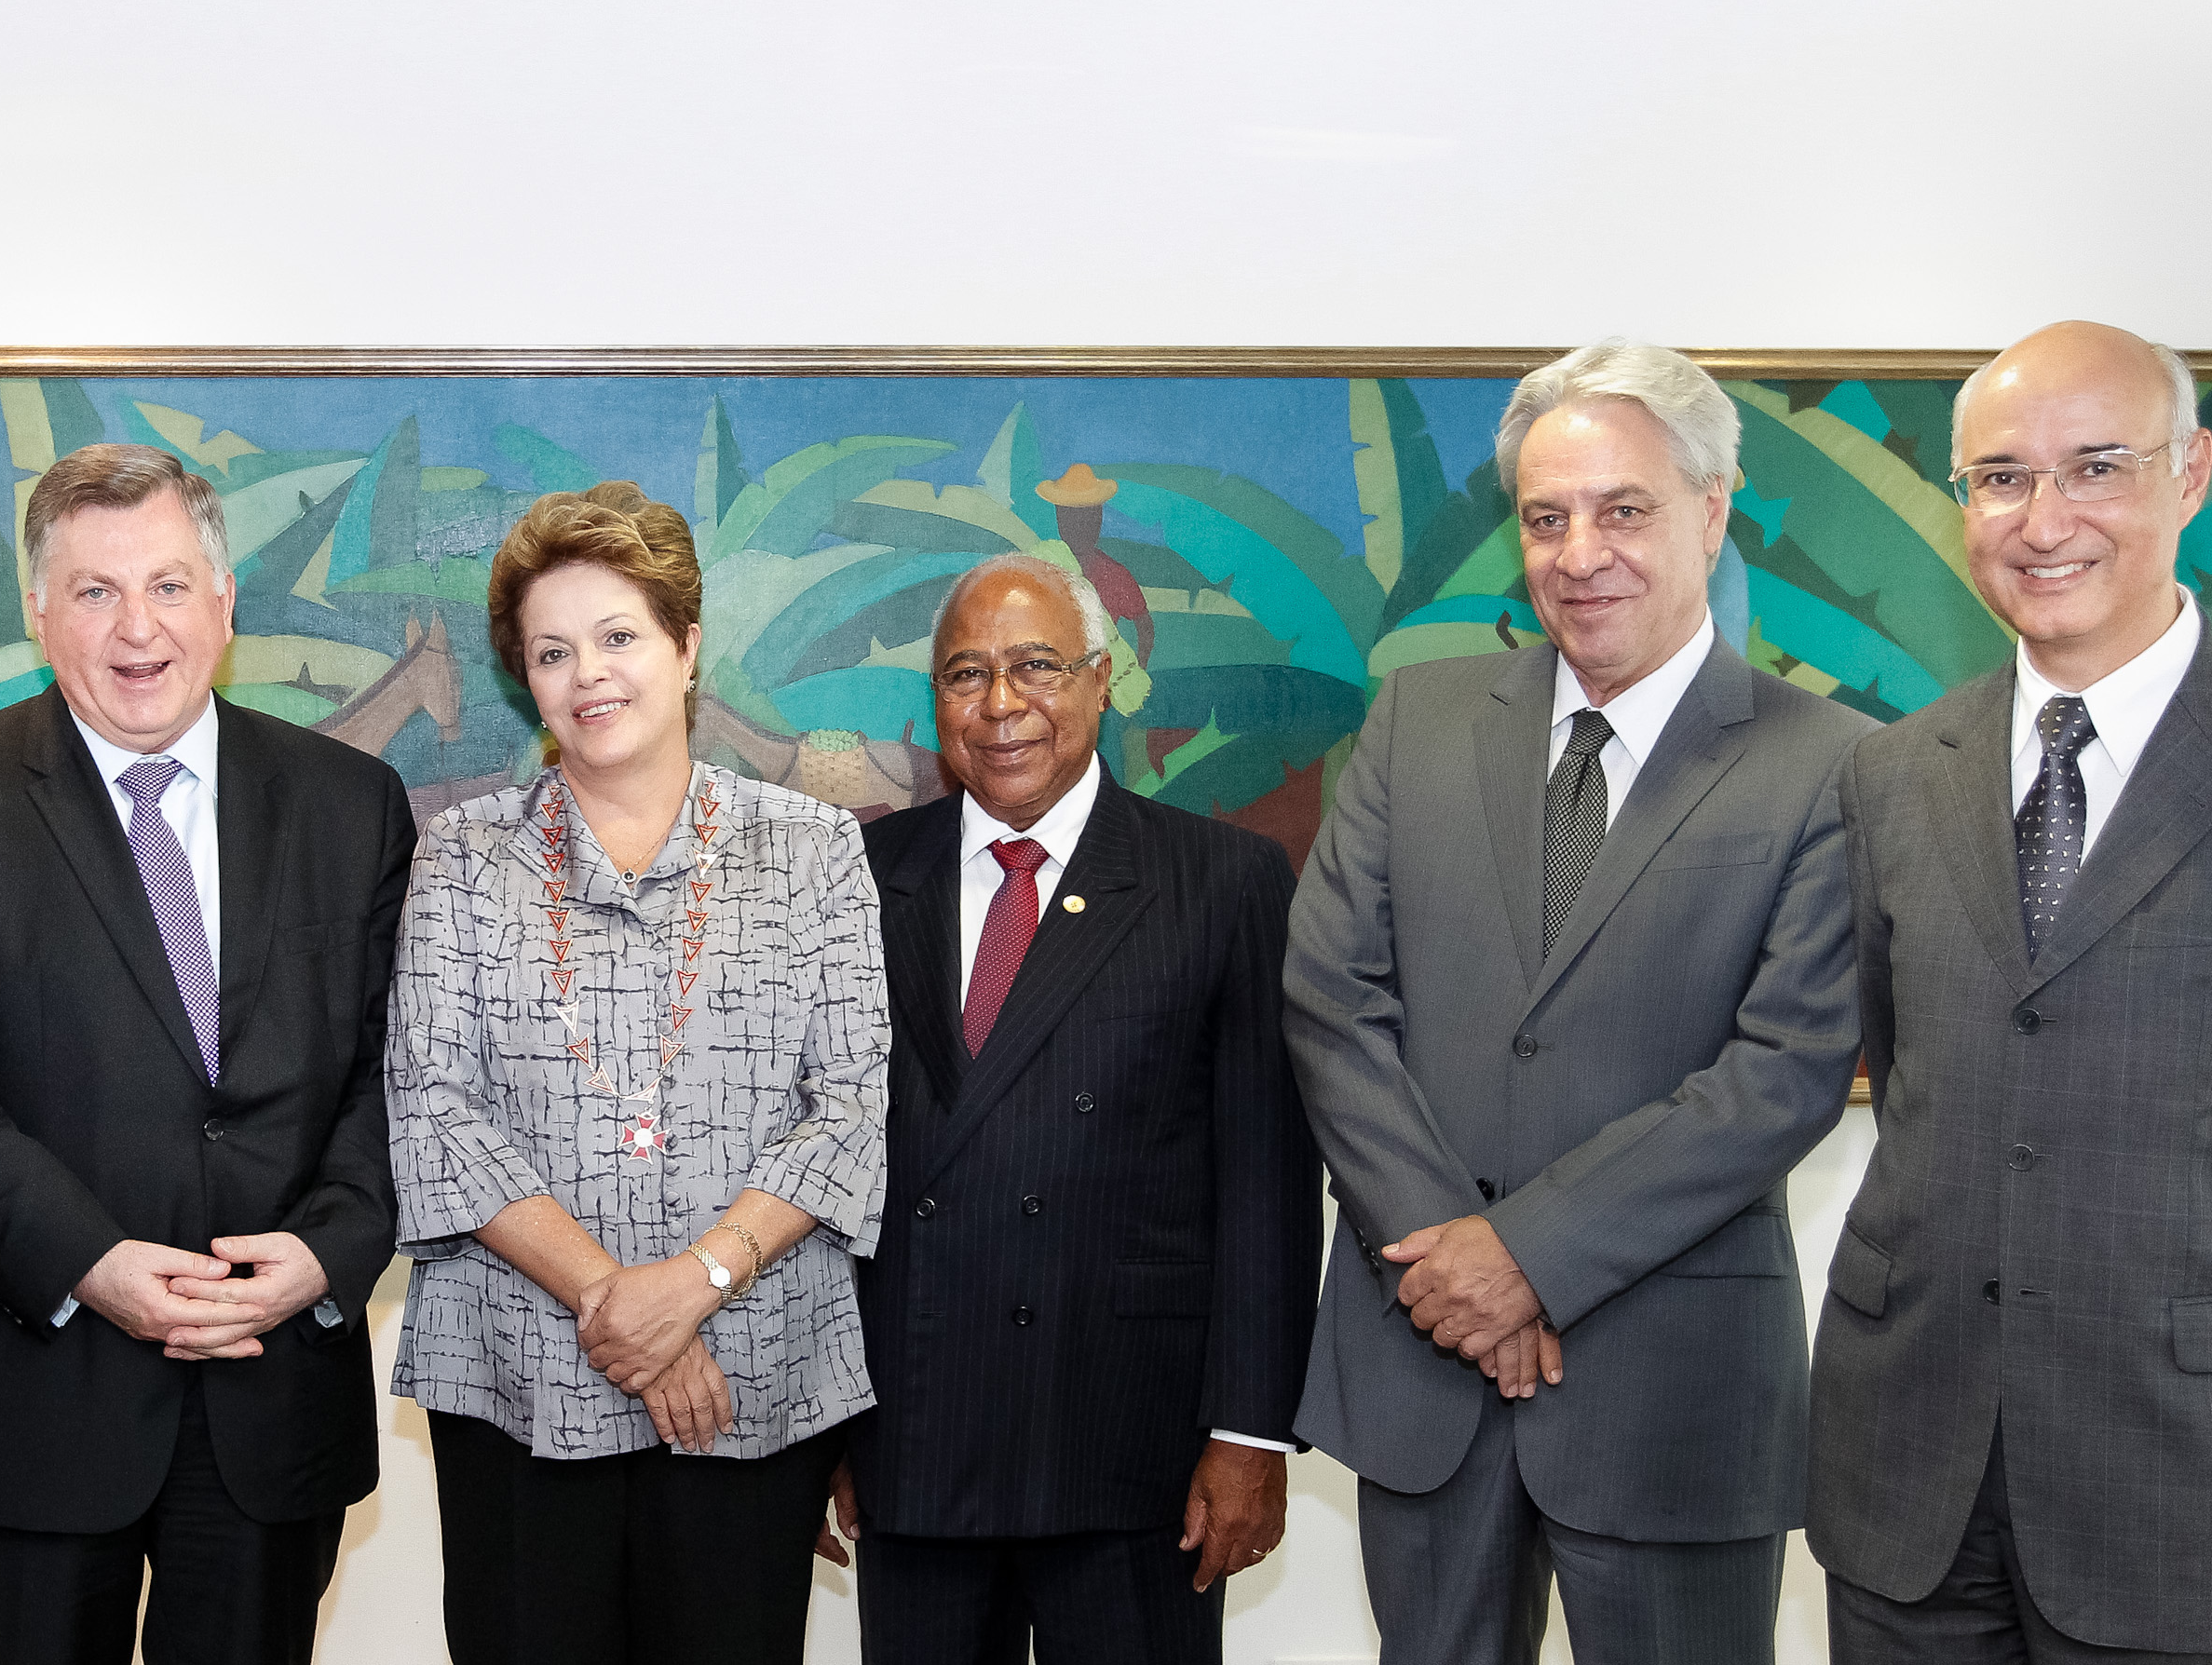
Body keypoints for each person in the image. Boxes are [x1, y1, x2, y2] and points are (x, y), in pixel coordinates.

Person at [1283, 340, 1874, 1663]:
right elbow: (1330, 1000)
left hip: (1673, 1391)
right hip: (1424, 1362)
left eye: (1622, 510)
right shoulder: (1414, 720)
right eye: (1545, 518)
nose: (1578, 553)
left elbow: (1778, 1071)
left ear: (1709, 510)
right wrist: (1453, 1263)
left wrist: (1526, 1258)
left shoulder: (1832, 763)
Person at [0, 442, 414, 1665]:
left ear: (223, 601)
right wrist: (88, 1260)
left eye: (166, 584)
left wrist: (327, 1250)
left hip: (268, 1391)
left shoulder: (349, 801)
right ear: (39, 611)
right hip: (25, 1393)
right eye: (93, 591)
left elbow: (394, 1066)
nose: (135, 627)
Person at [1812, 320, 2212, 1661]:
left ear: (2188, 473)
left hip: (2196, 1481)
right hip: (1906, 1469)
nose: (2043, 518)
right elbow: (1909, 1064)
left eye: (2095, 466)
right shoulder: (1892, 771)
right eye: (2001, 477)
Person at [387, 482, 888, 1665]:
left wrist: (699, 1282)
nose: (588, 675)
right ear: (524, 676)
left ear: (685, 645)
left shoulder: (812, 848)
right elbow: (435, 1111)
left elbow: (849, 1107)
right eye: (552, 651)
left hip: (747, 1376)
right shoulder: (462, 855)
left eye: (618, 635)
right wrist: (625, 1302)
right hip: (517, 1370)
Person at [821, 553, 1318, 1663]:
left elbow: (1267, 1182)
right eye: (965, 674)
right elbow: (812, 1162)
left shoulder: (1221, 879)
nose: (1001, 704)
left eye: (1036, 666)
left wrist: (1249, 1431)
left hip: (1134, 1443)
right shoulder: (854, 875)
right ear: (936, 702)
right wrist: (817, 1423)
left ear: (1101, 679)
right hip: (914, 1429)